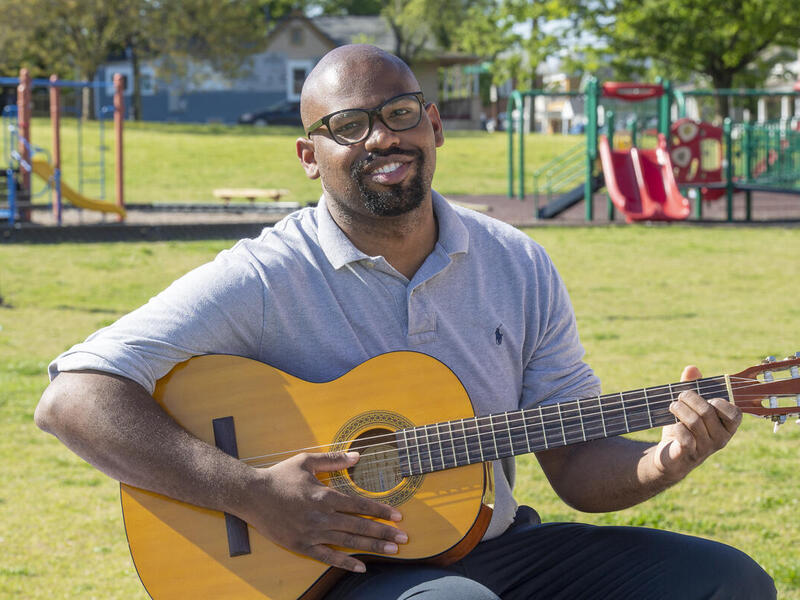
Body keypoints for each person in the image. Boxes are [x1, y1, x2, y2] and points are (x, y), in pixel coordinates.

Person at [35, 45, 775, 599]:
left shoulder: (516, 264)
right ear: (308, 155)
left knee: (729, 582)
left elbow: (578, 467)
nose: (381, 139)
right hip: (338, 570)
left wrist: (666, 460)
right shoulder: (263, 276)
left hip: (496, 545)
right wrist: (250, 494)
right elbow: (72, 397)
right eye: (347, 125)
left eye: (398, 114)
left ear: (433, 126)